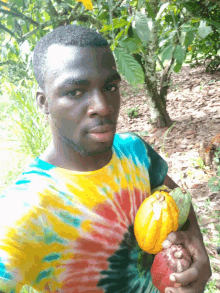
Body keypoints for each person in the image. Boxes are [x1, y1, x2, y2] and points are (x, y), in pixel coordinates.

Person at [0, 25, 211, 293]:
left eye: (110, 86)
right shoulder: (23, 210)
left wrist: (195, 240)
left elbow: (176, 197)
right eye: (75, 92)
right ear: (43, 102)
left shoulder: (135, 150)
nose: (103, 106)